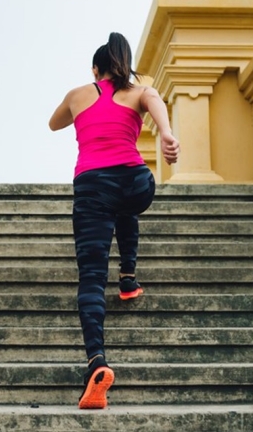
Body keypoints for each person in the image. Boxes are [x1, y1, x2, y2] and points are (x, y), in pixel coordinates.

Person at [48, 32, 180, 410]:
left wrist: (82, 103)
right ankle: (127, 278)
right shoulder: (139, 91)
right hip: (136, 182)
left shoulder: (78, 95)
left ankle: (97, 363)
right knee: (125, 205)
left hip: (93, 186)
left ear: (95, 69)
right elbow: (155, 99)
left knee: (91, 277)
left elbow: (54, 124)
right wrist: (166, 134)